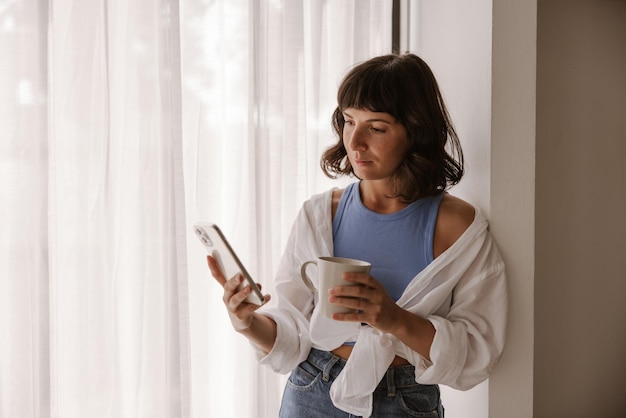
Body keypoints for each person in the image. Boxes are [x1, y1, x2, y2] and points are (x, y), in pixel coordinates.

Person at [207, 53, 507, 418]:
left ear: (416, 130)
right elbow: (291, 336)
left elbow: (478, 352)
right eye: (349, 121)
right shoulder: (320, 215)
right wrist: (247, 322)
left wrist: (394, 318)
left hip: (406, 402)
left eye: (376, 128)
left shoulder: (460, 228)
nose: (356, 142)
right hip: (312, 391)